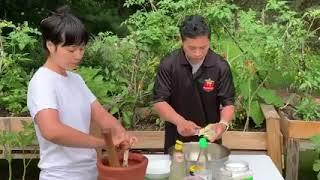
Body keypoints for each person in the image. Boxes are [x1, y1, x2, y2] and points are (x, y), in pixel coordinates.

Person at [27, 6, 136, 180]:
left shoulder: (75, 79)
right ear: (50, 45)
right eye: (71, 50)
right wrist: (105, 143)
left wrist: (121, 134)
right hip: (60, 175)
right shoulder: (42, 82)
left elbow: (101, 116)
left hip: (90, 173)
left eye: (82, 49)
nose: (78, 55)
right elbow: (52, 131)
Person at [153, 15, 235, 153]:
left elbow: (228, 102)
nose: (198, 53)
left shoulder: (220, 66)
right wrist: (180, 122)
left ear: (209, 41)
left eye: (203, 48)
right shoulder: (169, 64)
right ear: (182, 41)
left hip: (209, 140)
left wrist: (223, 124)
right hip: (176, 139)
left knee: (209, 171)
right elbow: (159, 101)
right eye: (192, 48)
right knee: (177, 171)